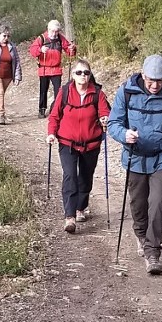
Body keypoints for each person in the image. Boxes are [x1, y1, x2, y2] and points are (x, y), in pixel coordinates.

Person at [107, 54, 162, 275]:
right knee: (138, 205)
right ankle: (141, 235)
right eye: (151, 81)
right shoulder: (126, 91)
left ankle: (153, 251)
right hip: (135, 157)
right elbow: (113, 123)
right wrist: (124, 134)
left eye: (160, 81)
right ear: (143, 74)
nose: (155, 85)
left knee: (157, 202)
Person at [46, 60, 112, 234]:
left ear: (90, 75)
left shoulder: (98, 93)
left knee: (85, 176)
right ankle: (70, 217)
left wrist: (105, 118)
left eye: (86, 73)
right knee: (70, 176)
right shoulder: (65, 92)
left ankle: (81, 207)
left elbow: (105, 112)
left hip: (91, 144)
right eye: (79, 72)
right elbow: (54, 115)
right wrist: (51, 133)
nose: (83, 76)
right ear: (73, 75)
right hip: (67, 143)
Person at [28, 20, 75, 119]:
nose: (55, 33)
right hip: (44, 68)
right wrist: (40, 50)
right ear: (48, 29)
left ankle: (56, 109)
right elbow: (32, 51)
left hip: (56, 69)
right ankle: (42, 110)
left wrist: (72, 49)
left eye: (57, 31)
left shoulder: (60, 38)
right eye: (53, 31)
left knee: (58, 91)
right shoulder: (42, 38)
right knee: (43, 90)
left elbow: (69, 51)